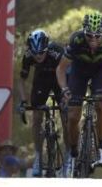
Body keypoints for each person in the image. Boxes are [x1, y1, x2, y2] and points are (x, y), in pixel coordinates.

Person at [56, 10, 102, 177]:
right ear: (84, 32)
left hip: (101, 70)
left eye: (97, 36)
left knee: (101, 105)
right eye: (89, 36)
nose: (93, 40)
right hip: (79, 71)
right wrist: (64, 89)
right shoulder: (76, 39)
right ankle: (72, 152)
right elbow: (61, 68)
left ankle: (101, 148)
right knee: (72, 117)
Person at [17, 29, 69, 177]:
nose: (38, 56)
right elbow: (22, 80)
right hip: (42, 80)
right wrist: (23, 101)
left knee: (66, 118)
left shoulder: (57, 52)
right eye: (35, 53)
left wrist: (66, 94)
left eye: (42, 53)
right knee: (36, 116)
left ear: (47, 48)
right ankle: (38, 156)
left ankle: (68, 155)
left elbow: (68, 72)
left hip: (60, 78)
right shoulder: (28, 56)